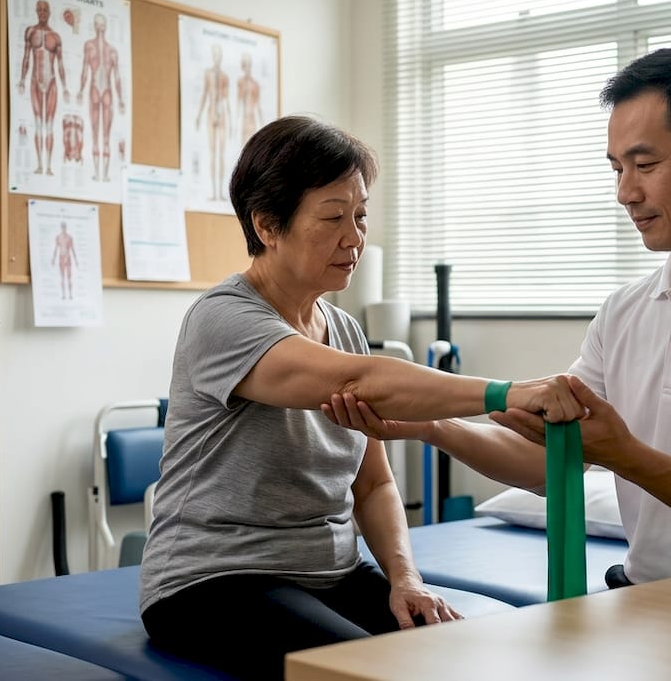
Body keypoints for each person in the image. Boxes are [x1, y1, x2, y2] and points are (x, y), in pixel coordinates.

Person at [326, 47, 671, 600]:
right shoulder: (626, 311)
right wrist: (428, 427)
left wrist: (624, 454)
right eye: (617, 168)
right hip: (644, 605)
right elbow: (549, 462)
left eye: (646, 165)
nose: (625, 193)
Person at [138, 114, 583, 680]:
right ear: (267, 225)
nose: (355, 238)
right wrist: (504, 393)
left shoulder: (342, 329)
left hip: (332, 573)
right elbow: (362, 380)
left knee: (466, 660)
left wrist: (405, 578)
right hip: (215, 580)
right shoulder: (223, 319)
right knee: (374, 674)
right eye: (332, 218)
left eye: (361, 216)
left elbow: (372, 482)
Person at [18, 0, 70, 176]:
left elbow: (61, 64)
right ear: (35, 11)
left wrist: (65, 87)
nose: (41, 13)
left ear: (49, 12)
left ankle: (48, 167)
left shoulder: (55, 37)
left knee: (49, 125)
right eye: (39, 10)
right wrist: (22, 80)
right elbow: (26, 58)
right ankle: (40, 165)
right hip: (35, 80)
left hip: (52, 82)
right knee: (38, 124)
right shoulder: (30, 32)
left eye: (44, 10)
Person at [77, 13, 126, 182]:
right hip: (97, 91)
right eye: (98, 24)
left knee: (104, 136)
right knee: (96, 135)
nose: (99, 28)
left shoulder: (111, 50)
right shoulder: (90, 47)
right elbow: (85, 70)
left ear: (104, 27)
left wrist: (120, 99)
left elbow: (117, 77)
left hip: (104, 92)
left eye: (101, 25)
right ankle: (99, 174)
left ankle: (103, 174)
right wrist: (81, 90)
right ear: (95, 26)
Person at [194, 43, 231, 200]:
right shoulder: (208, 74)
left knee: (221, 154)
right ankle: (213, 192)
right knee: (212, 154)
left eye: (219, 55)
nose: (217, 58)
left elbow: (227, 99)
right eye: (214, 54)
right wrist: (199, 115)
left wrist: (230, 120)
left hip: (221, 114)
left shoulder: (224, 76)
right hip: (210, 114)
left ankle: (220, 193)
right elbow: (204, 94)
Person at [237, 51, 264, 144]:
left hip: (252, 121)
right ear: (243, 66)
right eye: (245, 65)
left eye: (249, 64)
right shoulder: (240, 82)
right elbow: (238, 103)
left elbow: (258, 107)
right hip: (244, 120)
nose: (247, 67)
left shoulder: (255, 84)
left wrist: (263, 126)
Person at [51, 221, 77, 300]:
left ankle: (70, 295)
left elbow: (72, 249)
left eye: (64, 226)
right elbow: (56, 248)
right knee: (62, 277)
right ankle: (63, 295)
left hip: (68, 257)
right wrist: (53, 259)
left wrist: (76, 260)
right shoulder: (58, 237)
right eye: (62, 227)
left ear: (66, 227)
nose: (63, 228)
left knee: (69, 277)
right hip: (61, 257)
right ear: (61, 227)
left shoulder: (69, 237)